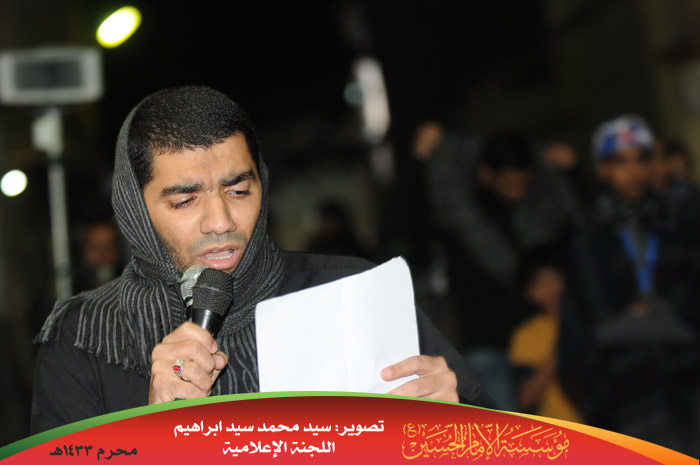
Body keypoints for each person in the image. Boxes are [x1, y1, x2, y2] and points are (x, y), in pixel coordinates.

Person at [30, 86, 496, 433]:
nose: (220, 221)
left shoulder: (353, 294)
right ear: (135, 208)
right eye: (185, 200)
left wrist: (454, 425)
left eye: (238, 190)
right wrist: (153, 435)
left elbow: (497, 443)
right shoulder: (83, 337)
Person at [558, 115, 700, 453]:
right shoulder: (587, 235)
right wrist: (662, 319)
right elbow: (596, 323)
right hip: (624, 387)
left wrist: (643, 318)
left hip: (689, 377)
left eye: (641, 160)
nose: (633, 172)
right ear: (602, 169)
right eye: (621, 162)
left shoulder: (679, 224)